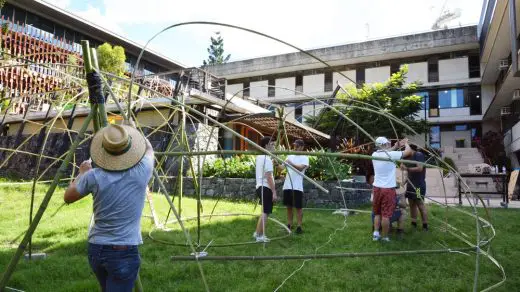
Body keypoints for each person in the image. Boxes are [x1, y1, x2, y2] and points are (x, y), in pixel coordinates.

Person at [64, 123, 154, 291]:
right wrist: (134, 130)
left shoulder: (92, 176)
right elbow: (149, 149)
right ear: (130, 149)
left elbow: (68, 197)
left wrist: (81, 173)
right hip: (123, 251)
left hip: (96, 248)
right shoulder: (142, 171)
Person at [371, 136, 412, 242]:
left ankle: (376, 234)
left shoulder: (374, 155)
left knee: (377, 213)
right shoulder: (391, 155)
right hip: (388, 189)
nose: (389, 144)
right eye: (387, 143)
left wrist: (395, 146)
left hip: (377, 188)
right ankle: (384, 237)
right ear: (384, 145)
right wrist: (406, 144)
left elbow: (386, 152)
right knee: (385, 215)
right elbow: (408, 152)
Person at [253, 136, 278, 242]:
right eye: (272, 145)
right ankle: (259, 236)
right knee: (265, 212)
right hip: (266, 187)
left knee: (264, 211)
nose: (274, 147)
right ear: (266, 146)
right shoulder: (267, 158)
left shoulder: (260, 158)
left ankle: (257, 233)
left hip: (259, 186)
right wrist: (274, 192)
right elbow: (269, 176)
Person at [282, 139, 309, 234]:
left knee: (298, 207)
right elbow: (281, 168)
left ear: (302, 147)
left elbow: (301, 168)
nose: (295, 148)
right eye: (294, 146)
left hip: (297, 186)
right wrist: (276, 163)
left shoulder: (305, 157)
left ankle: (299, 226)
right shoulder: (290, 156)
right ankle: (289, 224)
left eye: (297, 146)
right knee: (289, 206)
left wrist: (290, 163)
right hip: (287, 185)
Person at [401, 144, 428, 231]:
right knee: (412, 204)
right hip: (410, 186)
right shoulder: (408, 158)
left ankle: (425, 225)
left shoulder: (418, 155)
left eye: (406, 150)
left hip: (418, 186)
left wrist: (406, 169)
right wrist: (403, 183)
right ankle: (413, 223)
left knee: (420, 204)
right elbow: (409, 174)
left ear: (411, 149)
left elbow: (420, 168)